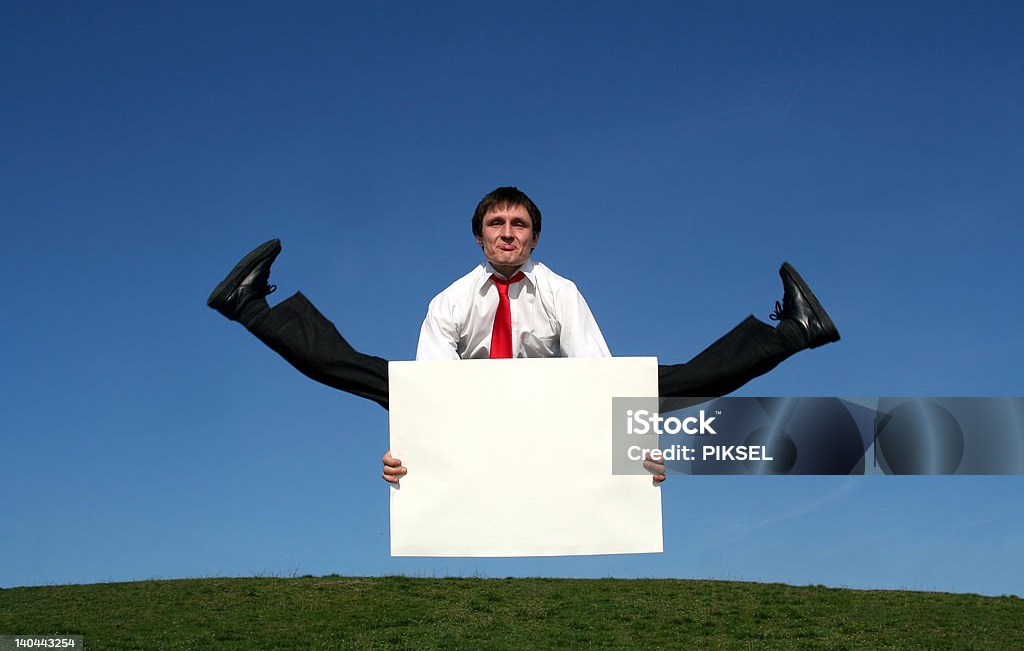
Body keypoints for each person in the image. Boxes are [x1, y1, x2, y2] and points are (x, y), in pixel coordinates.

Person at [207, 187, 840, 484]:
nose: (507, 233)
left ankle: (795, 331)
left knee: (659, 382)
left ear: (534, 238)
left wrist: (633, 456)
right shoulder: (451, 300)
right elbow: (426, 392)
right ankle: (251, 308)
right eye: (494, 223)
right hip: (471, 403)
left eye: (518, 225)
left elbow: (601, 380)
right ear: (479, 236)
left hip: (554, 403)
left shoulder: (561, 291)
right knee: (376, 376)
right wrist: (410, 461)